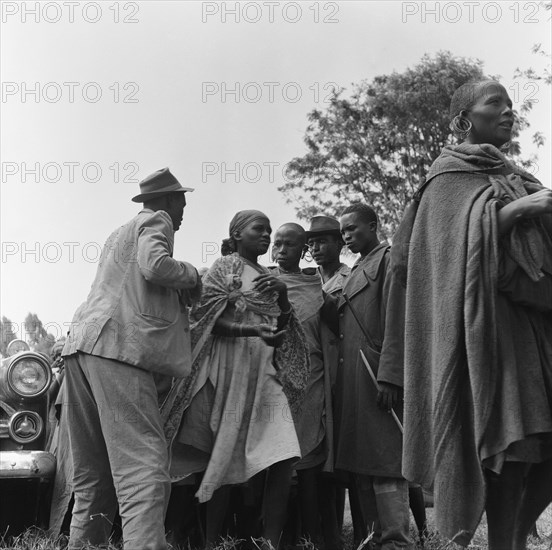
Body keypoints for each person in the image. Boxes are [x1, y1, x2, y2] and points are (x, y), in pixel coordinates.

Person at [385, 80, 552, 549]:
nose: (507, 112)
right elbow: (446, 252)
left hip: (530, 327)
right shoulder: (446, 178)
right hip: (482, 333)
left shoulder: (517, 174)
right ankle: (505, 540)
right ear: (463, 120)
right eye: (494, 104)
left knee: (540, 445)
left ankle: (516, 531)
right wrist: (519, 210)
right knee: (510, 447)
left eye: (511, 105)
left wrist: (532, 205)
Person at [61, 168, 201, 550]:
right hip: (117, 351)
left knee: (95, 474)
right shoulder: (157, 221)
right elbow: (155, 265)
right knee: (145, 467)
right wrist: (192, 275)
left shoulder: (115, 235)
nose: (184, 209)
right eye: (182, 200)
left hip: (80, 350)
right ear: (169, 202)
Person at [161, 210, 310, 550]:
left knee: (285, 454)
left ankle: (269, 542)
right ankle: (215, 541)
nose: (267, 236)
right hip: (227, 370)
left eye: (268, 231)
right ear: (238, 234)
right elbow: (205, 321)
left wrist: (283, 299)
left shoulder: (268, 276)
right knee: (224, 455)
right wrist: (250, 329)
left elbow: (281, 331)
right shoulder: (223, 269)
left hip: (265, 374)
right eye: (260, 229)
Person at [335, 203, 413, 549]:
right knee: (362, 462)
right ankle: (373, 538)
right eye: (343, 233)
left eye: (352, 228)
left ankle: (395, 540)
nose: (347, 236)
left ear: (373, 224)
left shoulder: (388, 259)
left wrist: (391, 375)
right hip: (354, 379)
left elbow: (398, 318)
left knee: (385, 460)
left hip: (376, 373)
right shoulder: (353, 270)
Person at [270, 223, 342, 550]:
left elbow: (334, 335)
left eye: (289, 245)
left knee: (309, 466)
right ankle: (275, 539)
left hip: (311, 382)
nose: (281, 250)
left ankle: (313, 540)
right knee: (275, 467)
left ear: (303, 251)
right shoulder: (263, 283)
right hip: (272, 384)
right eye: (277, 243)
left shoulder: (318, 290)